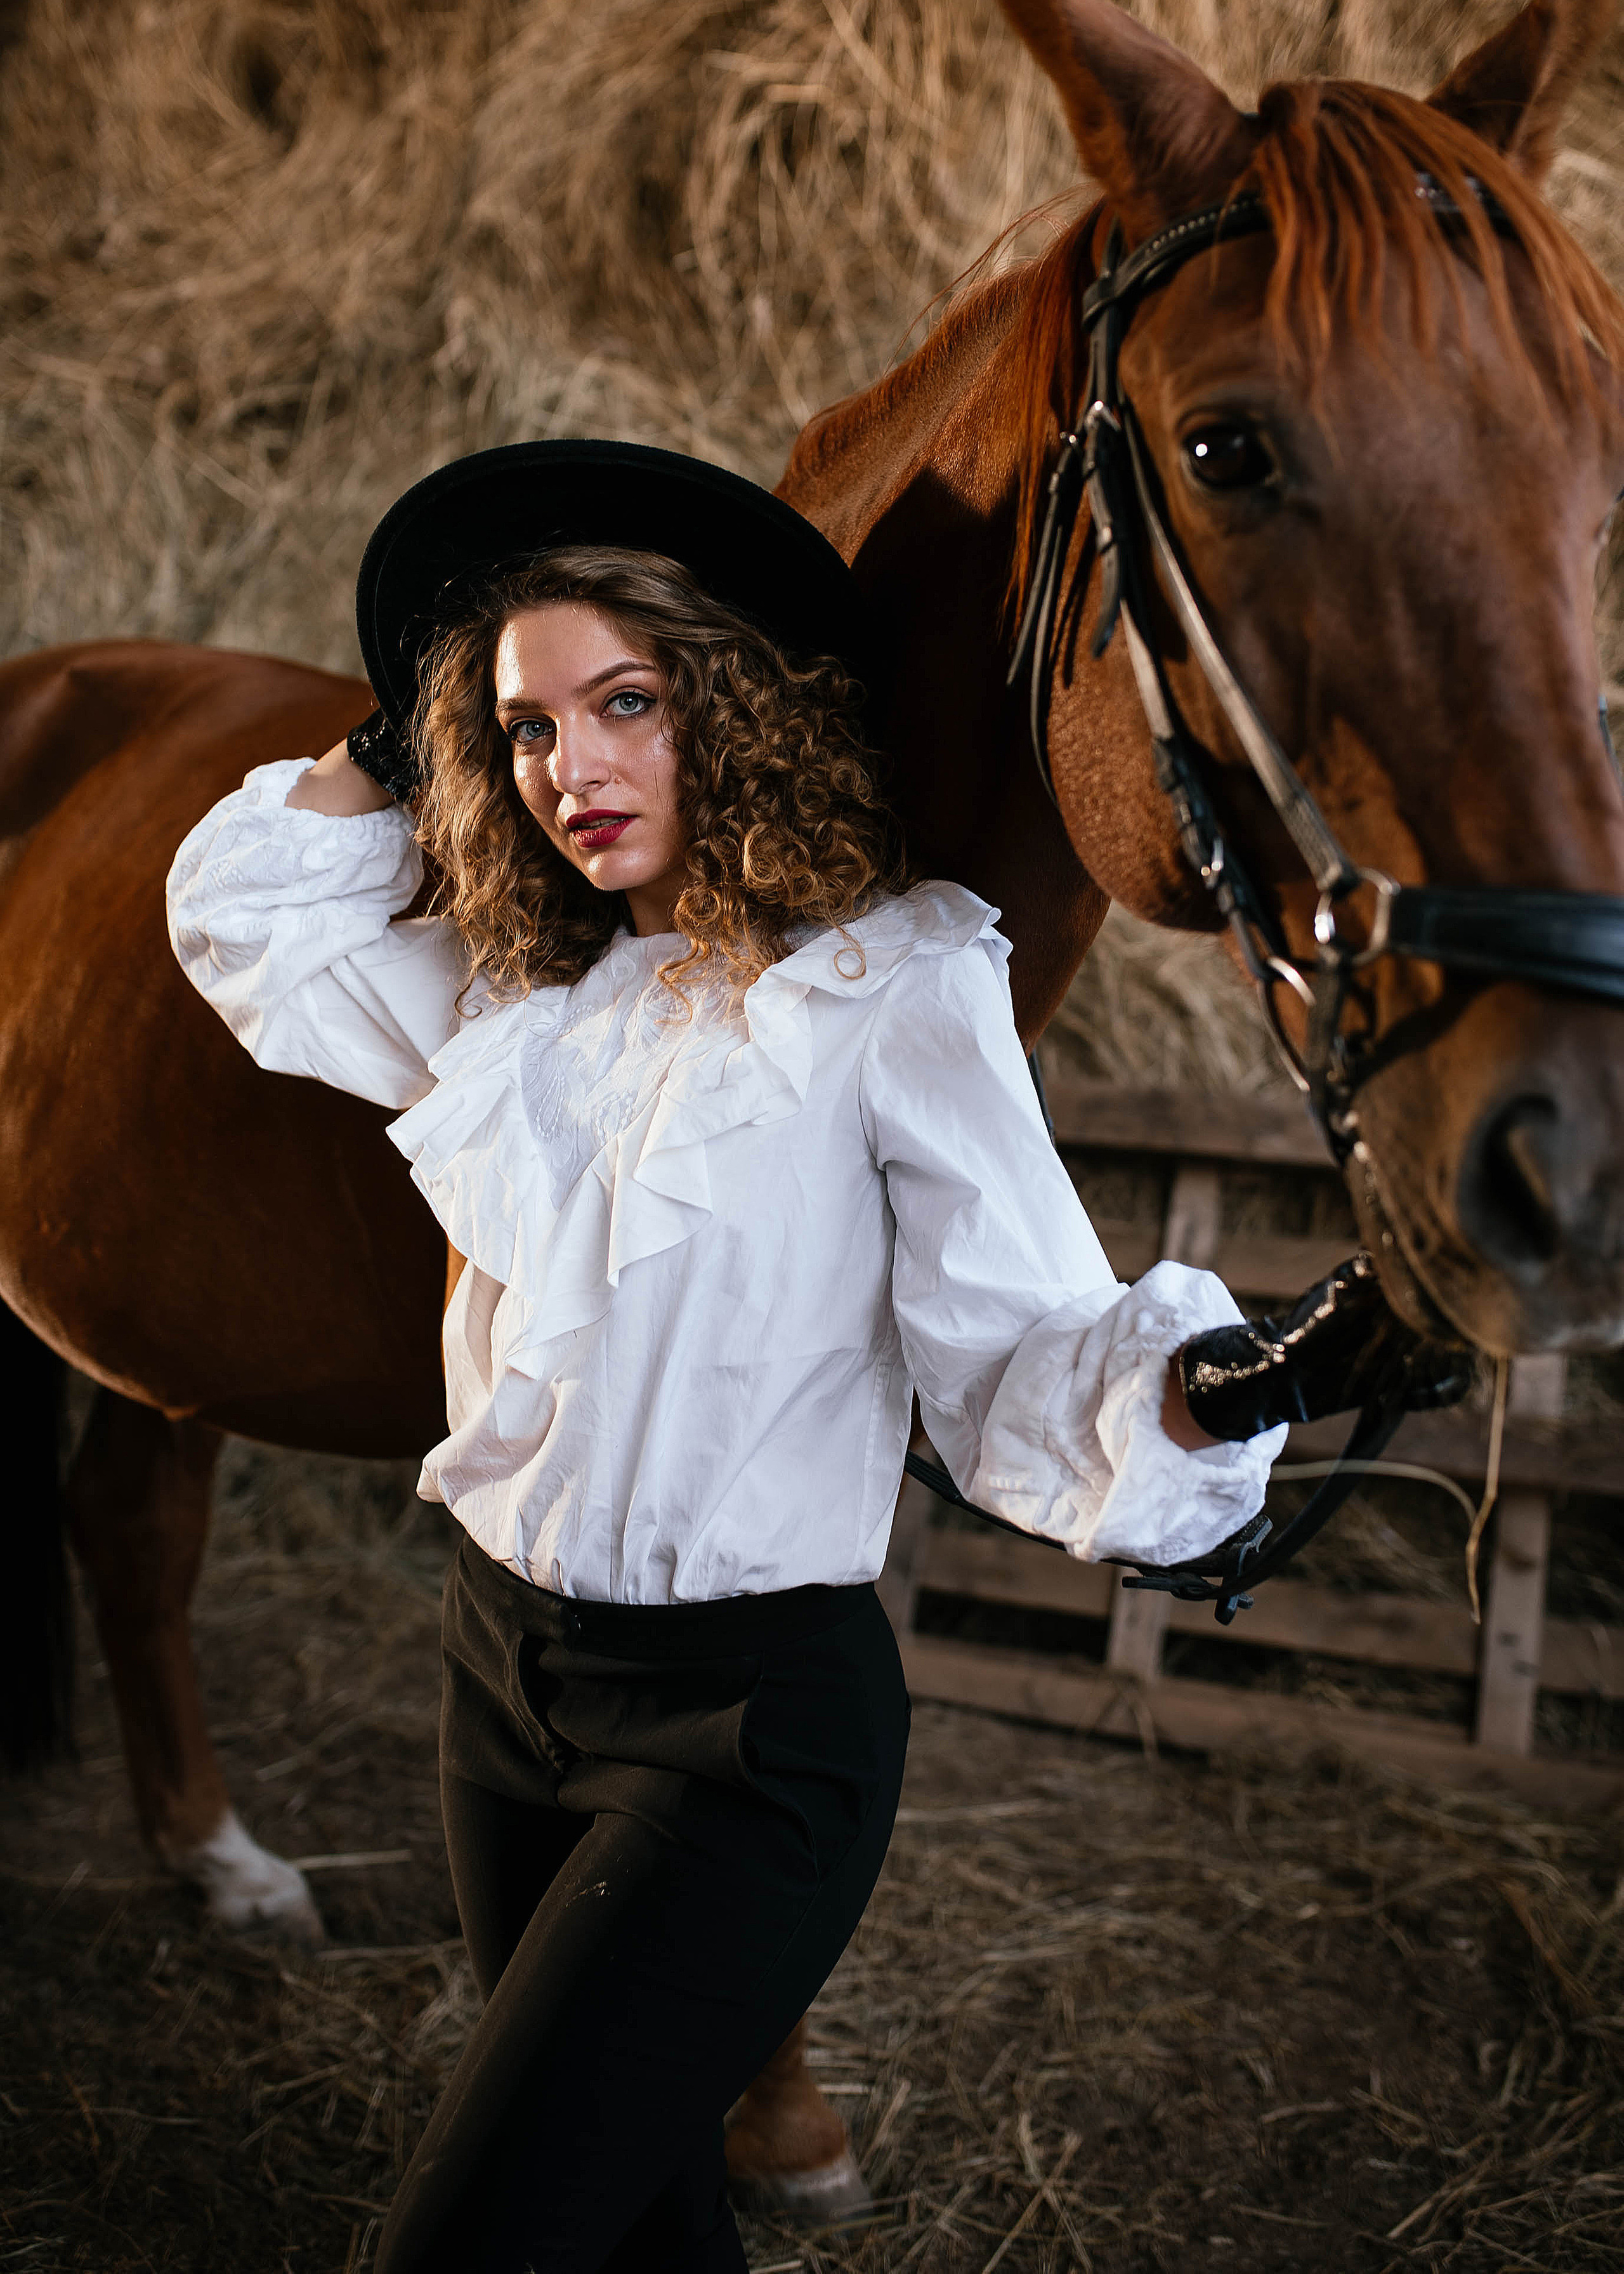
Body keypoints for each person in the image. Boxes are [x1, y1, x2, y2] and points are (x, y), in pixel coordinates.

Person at [162, 441, 1364, 2274]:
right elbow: (246, 918)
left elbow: (1018, 1356)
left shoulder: (897, 985)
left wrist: (1217, 1390)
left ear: (731, 702)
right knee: (638, 2222)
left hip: (748, 1732)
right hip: (498, 1677)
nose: (574, 769)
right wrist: (415, 718)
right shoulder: (508, 990)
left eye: (626, 702)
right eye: (530, 730)